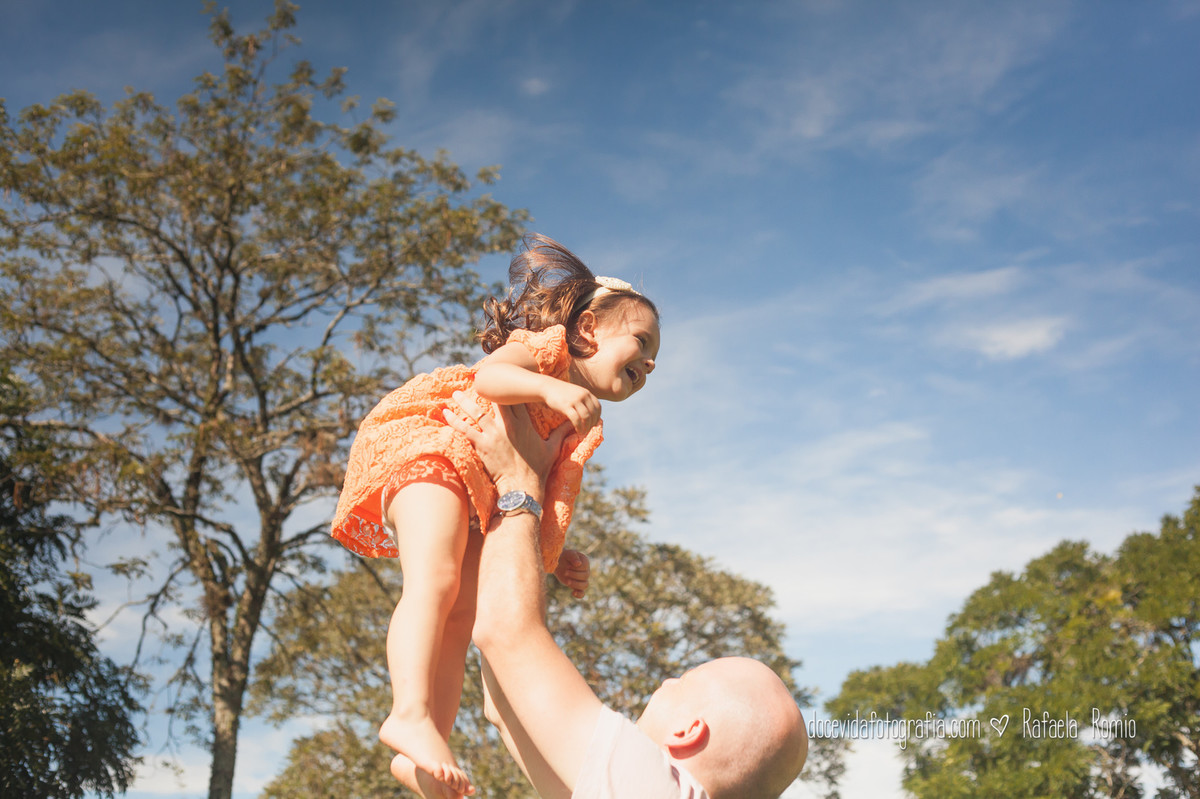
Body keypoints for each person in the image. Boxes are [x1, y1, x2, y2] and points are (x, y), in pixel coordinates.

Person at [330, 234, 661, 797]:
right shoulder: (548, 350)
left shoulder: (583, 421)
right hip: (432, 443)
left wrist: (556, 561)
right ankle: (407, 712)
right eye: (642, 341)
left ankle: (424, 745)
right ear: (587, 330)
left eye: (655, 360)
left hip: (483, 490)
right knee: (434, 578)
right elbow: (489, 377)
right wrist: (543, 389)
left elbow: (547, 499)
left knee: (463, 619)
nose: (650, 363)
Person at [443, 394, 809, 799]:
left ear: (687, 732)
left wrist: (518, 482)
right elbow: (508, 708)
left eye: (685, 681)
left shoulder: (654, 790)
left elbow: (507, 635)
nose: (668, 680)